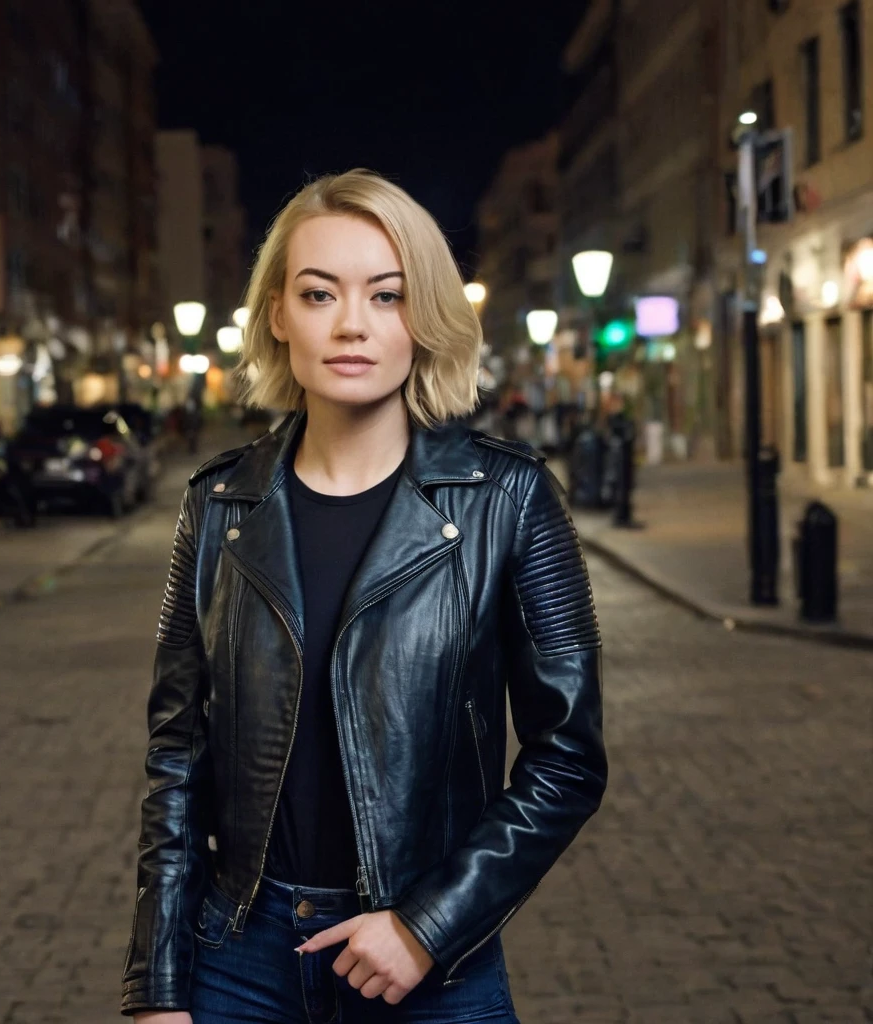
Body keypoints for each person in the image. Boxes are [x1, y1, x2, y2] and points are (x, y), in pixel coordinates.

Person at [122, 169, 607, 1023]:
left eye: (388, 295)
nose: (352, 323)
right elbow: (176, 758)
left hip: (428, 969)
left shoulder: (508, 500)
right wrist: (158, 984)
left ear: (424, 318)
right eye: (319, 293)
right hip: (238, 958)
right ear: (277, 314)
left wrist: (429, 925)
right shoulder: (219, 505)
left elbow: (567, 756)